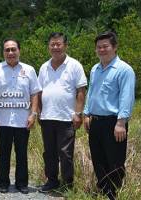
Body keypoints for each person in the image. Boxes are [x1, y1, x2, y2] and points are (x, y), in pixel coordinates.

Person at [0, 39, 42, 194]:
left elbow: (35, 93)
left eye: (13, 49)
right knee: (3, 152)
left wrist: (33, 114)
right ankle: (2, 182)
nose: (10, 53)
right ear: (3, 52)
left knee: (22, 153)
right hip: (2, 119)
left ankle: (22, 183)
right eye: (7, 50)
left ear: (19, 51)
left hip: (23, 120)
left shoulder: (29, 70)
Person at [83, 31, 135, 199]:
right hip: (95, 121)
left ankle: (114, 194)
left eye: (105, 46)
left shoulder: (124, 70)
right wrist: (86, 114)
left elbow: (126, 98)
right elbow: (91, 92)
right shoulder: (95, 69)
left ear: (114, 47)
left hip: (114, 123)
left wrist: (121, 123)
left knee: (115, 161)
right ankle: (104, 192)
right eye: (99, 47)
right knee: (98, 159)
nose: (102, 50)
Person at [37, 32, 87, 193]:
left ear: (65, 46)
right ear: (48, 47)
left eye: (59, 44)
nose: (55, 47)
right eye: (52, 44)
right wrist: (38, 112)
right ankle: (52, 181)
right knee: (49, 153)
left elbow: (81, 91)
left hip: (67, 118)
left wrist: (78, 114)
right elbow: (38, 92)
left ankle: (67, 185)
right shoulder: (44, 67)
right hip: (47, 117)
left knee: (66, 154)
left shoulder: (74, 65)